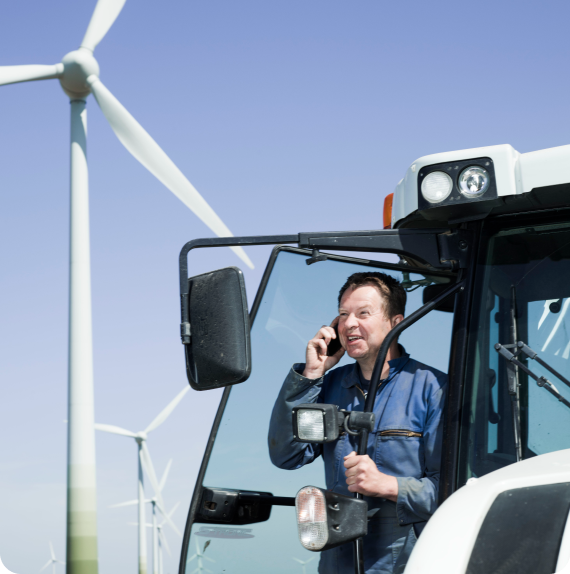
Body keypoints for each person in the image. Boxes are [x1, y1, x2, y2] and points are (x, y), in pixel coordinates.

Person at [268, 272, 447, 574]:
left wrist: (387, 485)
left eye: (363, 313)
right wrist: (310, 376)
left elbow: (453, 491)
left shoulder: (434, 389)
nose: (349, 324)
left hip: (409, 558)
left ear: (395, 322)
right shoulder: (325, 386)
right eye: (342, 314)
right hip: (339, 557)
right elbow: (286, 455)